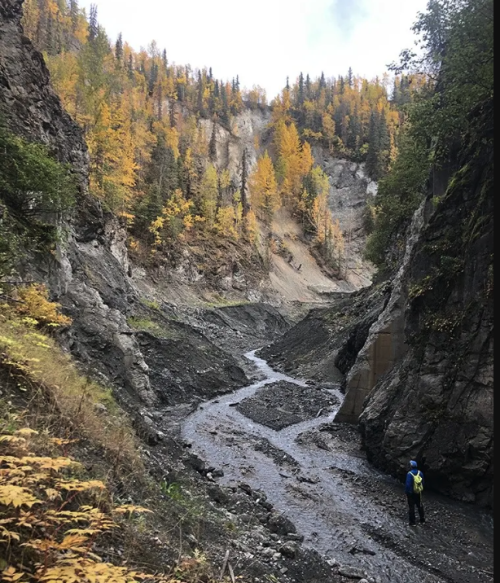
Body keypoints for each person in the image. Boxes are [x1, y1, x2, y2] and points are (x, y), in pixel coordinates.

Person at [405, 460, 425, 526]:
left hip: (411, 493)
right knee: (420, 505)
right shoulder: (420, 472)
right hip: (418, 492)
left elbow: (408, 485)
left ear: (411, 466)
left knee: (411, 507)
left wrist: (408, 492)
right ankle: (422, 519)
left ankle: (412, 522)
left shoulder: (409, 474)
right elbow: (423, 482)